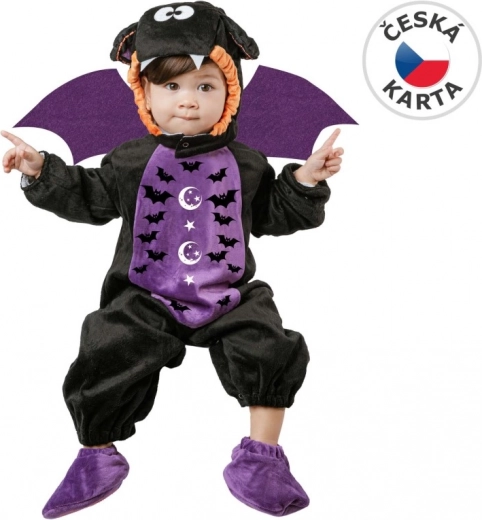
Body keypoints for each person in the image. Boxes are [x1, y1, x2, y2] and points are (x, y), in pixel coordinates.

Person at [2, 2, 343, 518]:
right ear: (144, 93)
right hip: (145, 293)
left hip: (227, 293)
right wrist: (41, 171)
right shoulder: (130, 159)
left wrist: (305, 180)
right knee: (105, 343)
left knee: (270, 343)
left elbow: (272, 213)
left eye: (206, 85)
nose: (188, 100)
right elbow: (90, 196)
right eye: (171, 85)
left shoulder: (247, 162)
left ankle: (262, 457)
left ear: (231, 93)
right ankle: (96, 454)